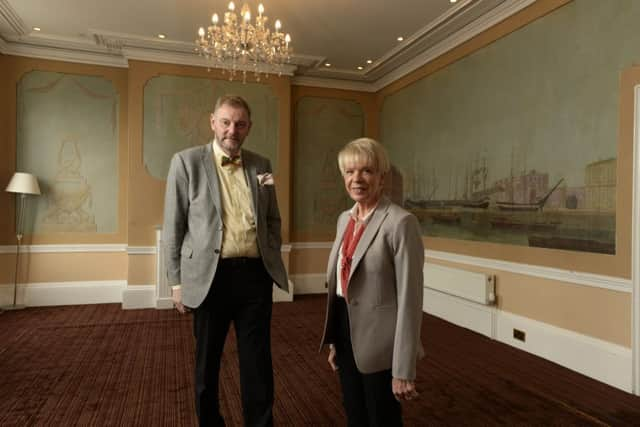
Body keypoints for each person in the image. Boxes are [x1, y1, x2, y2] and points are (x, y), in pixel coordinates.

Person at [163, 94, 288, 427]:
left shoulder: (262, 165)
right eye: (226, 122)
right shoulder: (186, 162)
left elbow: (273, 218)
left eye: (240, 123)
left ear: (249, 127)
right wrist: (176, 282)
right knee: (207, 362)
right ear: (213, 122)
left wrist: (270, 249)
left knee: (257, 362)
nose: (232, 129)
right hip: (209, 277)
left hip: (254, 276)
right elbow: (173, 227)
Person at [319, 137, 425, 427]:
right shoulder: (345, 219)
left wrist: (403, 368)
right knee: (355, 413)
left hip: (382, 341)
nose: (357, 179)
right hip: (345, 329)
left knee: (382, 418)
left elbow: (410, 300)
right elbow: (344, 284)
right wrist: (335, 342)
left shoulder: (401, 223)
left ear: (382, 177)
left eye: (366, 171)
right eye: (350, 172)